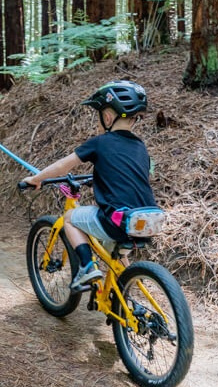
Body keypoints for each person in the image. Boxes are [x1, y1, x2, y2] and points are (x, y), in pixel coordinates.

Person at [22, 80, 158, 291]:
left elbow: (62, 165)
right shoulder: (140, 146)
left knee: (69, 218)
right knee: (115, 253)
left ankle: (87, 267)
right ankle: (129, 297)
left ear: (108, 117)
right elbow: (129, 176)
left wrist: (36, 179)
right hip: (147, 220)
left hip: (117, 220)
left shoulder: (100, 142)